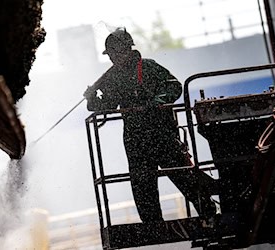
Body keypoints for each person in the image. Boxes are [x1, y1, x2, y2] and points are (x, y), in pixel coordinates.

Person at [83, 28, 215, 223]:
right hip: (135, 140)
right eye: (110, 54)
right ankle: (153, 226)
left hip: (161, 134)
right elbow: (105, 106)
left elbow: (174, 86)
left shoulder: (148, 67)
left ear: (126, 50)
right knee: (143, 186)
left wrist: (157, 101)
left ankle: (208, 213)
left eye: (114, 53)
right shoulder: (113, 78)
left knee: (183, 176)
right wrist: (92, 97)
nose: (112, 58)